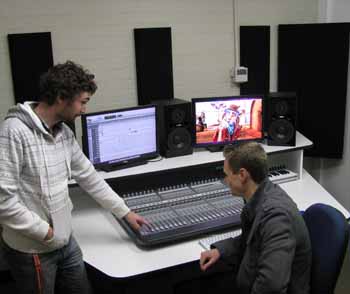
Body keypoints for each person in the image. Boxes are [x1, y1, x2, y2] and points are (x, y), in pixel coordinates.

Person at [0, 61, 148, 294]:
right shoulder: (14, 132)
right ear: (61, 97)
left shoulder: (64, 132)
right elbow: (3, 202)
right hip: (33, 249)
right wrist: (46, 232)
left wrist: (124, 212)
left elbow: (89, 177)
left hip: (65, 240)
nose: (84, 110)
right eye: (83, 102)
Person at [199, 142, 312, 294]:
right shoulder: (262, 193)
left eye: (227, 174)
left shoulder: (276, 218)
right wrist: (221, 250)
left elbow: (271, 287)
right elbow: (253, 239)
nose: (226, 181)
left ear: (242, 175)